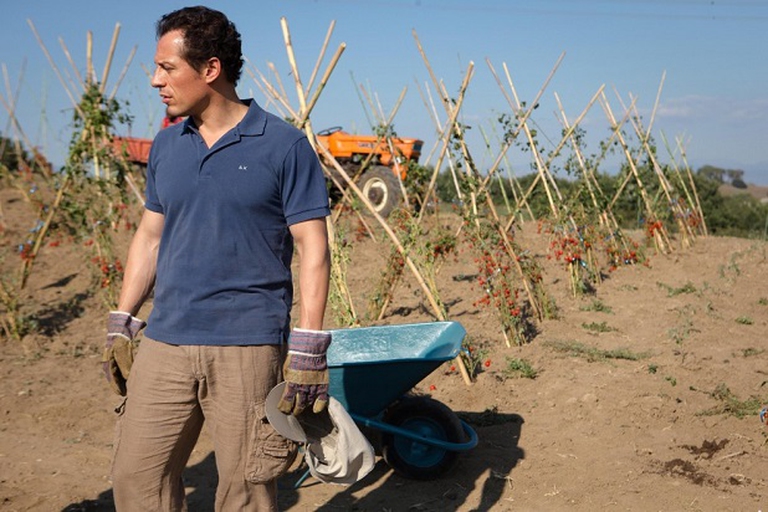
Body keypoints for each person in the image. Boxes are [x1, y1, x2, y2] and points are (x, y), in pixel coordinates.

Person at [104, 6, 331, 511]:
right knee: (136, 478)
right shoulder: (166, 145)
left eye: (167, 68)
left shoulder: (284, 145)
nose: (155, 80)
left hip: (247, 346)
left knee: (245, 490)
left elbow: (314, 247)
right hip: (166, 341)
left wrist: (309, 346)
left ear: (210, 70)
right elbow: (149, 237)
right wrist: (123, 318)